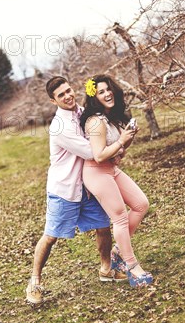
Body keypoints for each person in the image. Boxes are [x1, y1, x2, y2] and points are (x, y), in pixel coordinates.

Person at [26, 76, 127, 305]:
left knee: (103, 227)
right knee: (51, 236)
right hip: (64, 189)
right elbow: (92, 151)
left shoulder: (82, 111)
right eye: (61, 95)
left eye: (68, 90)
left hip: (86, 186)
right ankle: (34, 281)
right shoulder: (59, 126)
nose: (68, 96)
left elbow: (101, 133)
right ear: (53, 101)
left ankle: (106, 269)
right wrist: (118, 145)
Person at [80, 74, 153, 288]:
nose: (107, 93)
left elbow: (117, 151)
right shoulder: (95, 121)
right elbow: (99, 155)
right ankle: (132, 267)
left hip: (110, 169)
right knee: (119, 217)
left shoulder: (111, 118)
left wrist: (127, 139)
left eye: (109, 89)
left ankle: (118, 252)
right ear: (95, 96)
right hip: (96, 172)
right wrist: (121, 140)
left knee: (141, 204)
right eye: (101, 91)